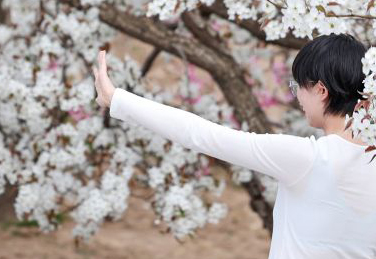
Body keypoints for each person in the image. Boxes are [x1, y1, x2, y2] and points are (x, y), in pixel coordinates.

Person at [93, 34, 376, 259]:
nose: (296, 97)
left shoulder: (309, 159)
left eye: (297, 86)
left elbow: (202, 135)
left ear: (320, 90)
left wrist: (116, 98)